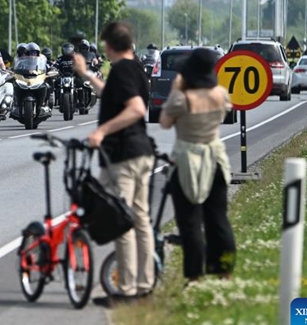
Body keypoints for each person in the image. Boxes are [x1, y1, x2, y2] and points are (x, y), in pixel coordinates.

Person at [73, 21, 155, 306]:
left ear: (109, 45)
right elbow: (114, 95)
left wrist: (101, 131)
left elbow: (135, 109)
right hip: (142, 152)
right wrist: (85, 74)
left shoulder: (121, 70)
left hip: (124, 156)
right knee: (141, 219)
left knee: (122, 222)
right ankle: (145, 284)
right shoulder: (136, 69)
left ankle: (127, 290)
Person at [159, 48, 235, 286]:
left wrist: (176, 89)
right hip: (215, 158)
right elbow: (227, 110)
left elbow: (164, 122)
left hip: (187, 159)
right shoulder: (220, 95)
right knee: (218, 219)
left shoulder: (182, 99)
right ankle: (223, 270)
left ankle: (195, 275)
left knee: (190, 221)